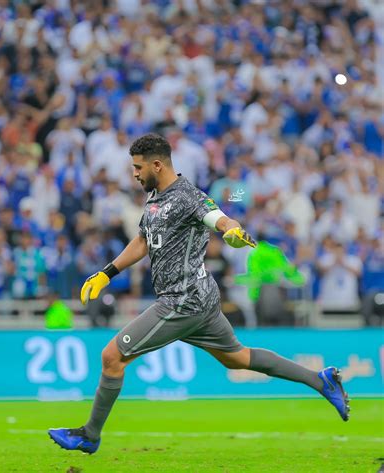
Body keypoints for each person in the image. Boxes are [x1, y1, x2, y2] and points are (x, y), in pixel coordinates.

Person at [48, 134, 350, 454]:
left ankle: (90, 435)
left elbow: (218, 217)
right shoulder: (154, 198)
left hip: (183, 299)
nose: (134, 173)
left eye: (138, 167)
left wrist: (231, 230)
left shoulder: (189, 195)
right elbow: (142, 240)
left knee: (111, 357)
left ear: (157, 164)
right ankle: (321, 381)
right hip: (200, 299)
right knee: (238, 358)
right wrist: (106, 273)